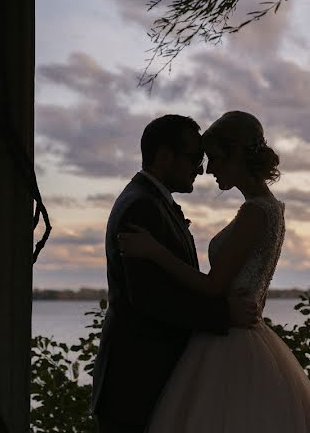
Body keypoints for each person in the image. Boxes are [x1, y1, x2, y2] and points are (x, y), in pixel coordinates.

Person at [117, 111, 310, 432]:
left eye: (215, 158)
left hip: (231, 343)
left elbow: (212, 286)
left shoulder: (255, 212)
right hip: (242, 332)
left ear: (236, 154)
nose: (208, 169)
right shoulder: (272, 208)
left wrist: (155, 251)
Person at [91, 114, 260, 433]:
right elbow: (151, 299)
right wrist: (225, 314)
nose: (200, 168)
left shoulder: (151, 202)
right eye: (194, 158)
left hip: (150, 381)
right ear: (165, 156)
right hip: (137, 384)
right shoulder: (140, 207)